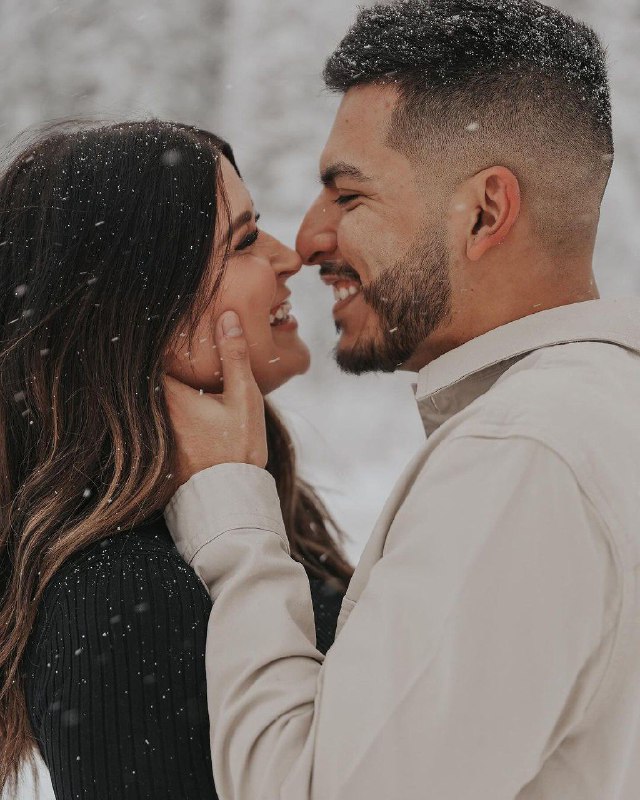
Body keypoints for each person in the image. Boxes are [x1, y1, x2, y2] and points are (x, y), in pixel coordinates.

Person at [162, 1, 640, 799]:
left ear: (485, 212)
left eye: (348, 196)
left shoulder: (521, 459)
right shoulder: (607, 416)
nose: (308, 239)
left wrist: (235, 526)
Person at [0, 120, 352, 800]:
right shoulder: (118, 595)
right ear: (139, 315)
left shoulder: (240, 523)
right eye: (244, 241)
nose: (288, 257)